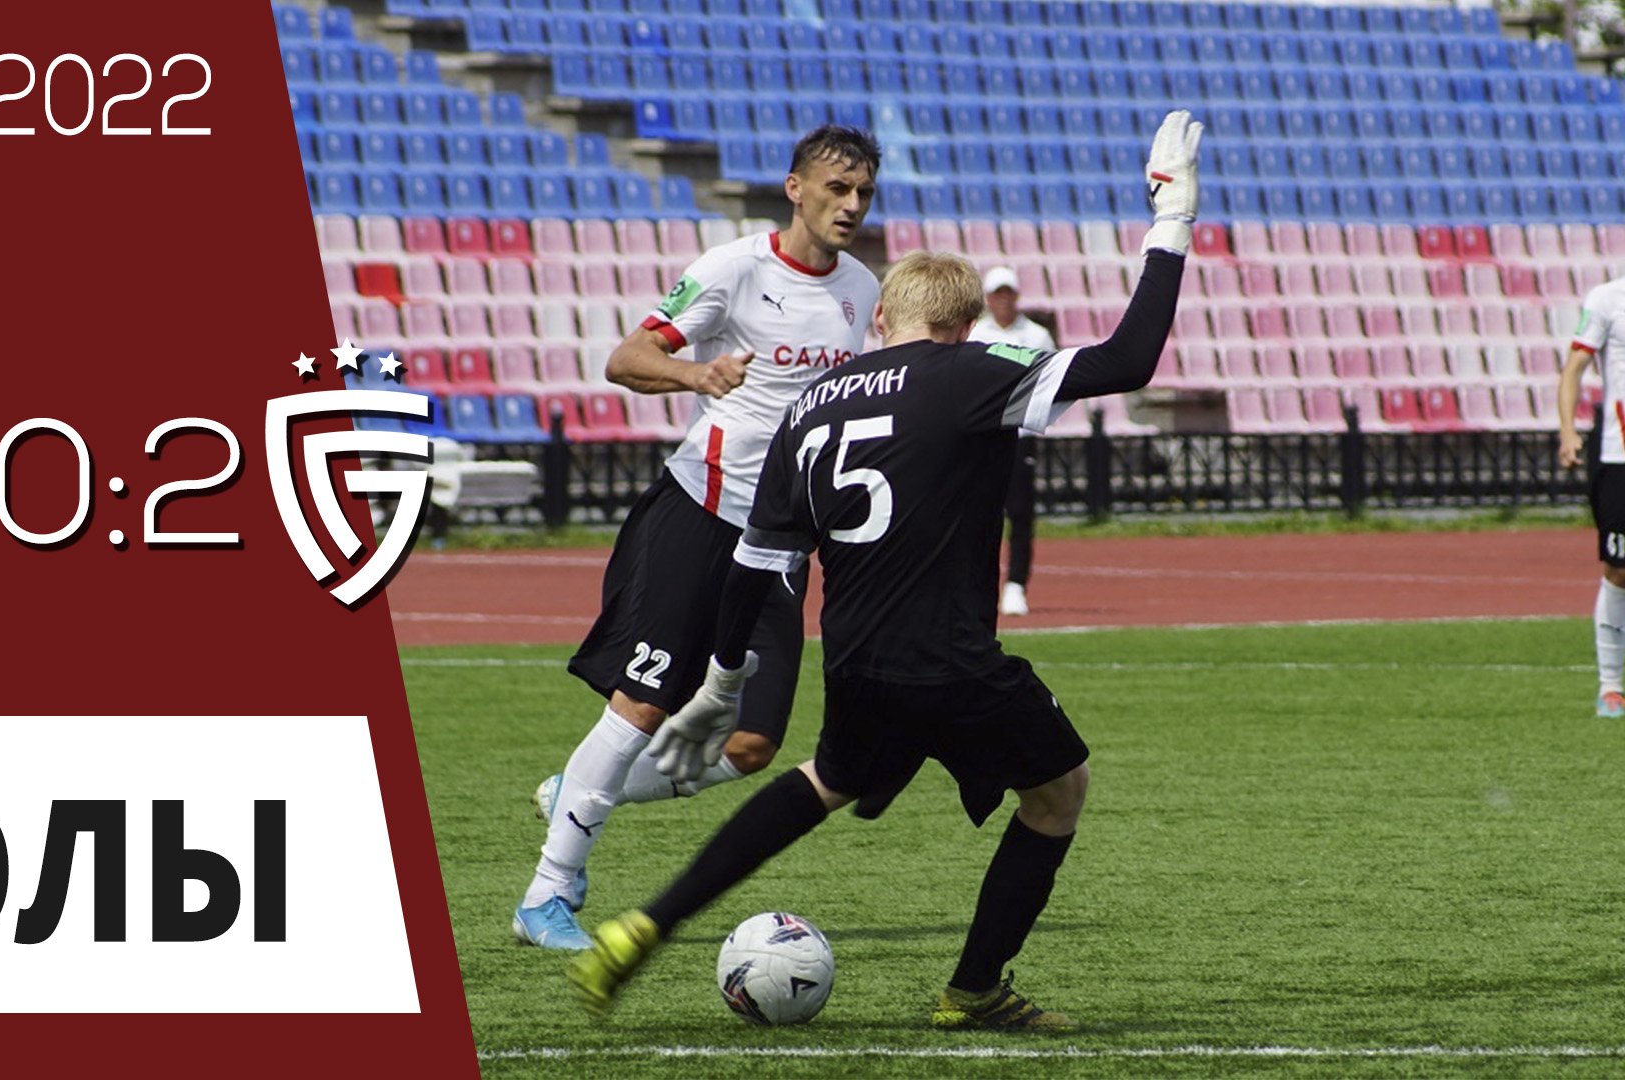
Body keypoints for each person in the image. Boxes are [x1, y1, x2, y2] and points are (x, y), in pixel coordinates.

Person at [568, 111, 1202, 1031]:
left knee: (825, 779)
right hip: (951, 658)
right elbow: (1131, 359)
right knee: (1060, 790)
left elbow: (758, 561)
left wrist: (726, 678)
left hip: (856, 659)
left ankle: (646, 923)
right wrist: (1171, 219)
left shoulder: (811, 404)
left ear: (878, 319)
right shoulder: (973, 370)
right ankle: (973, 989)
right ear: (961, 327)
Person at [513, 127, 884, 950]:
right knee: (643, 703)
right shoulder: (733, 269)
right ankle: (547, 895)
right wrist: (695, 373)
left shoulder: (862, 289)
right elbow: (627, 357)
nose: (852, 205)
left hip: (779, 544)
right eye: (837, 188)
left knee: (751, 745)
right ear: (795, 188)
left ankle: (578, 790)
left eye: (863, 192)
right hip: (701, 517)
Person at [968, 267, 1059, 617]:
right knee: (980, 512)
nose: (1003, 300)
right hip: (984, 434)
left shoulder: (1036, 335)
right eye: (997, 293)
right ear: (988, 299)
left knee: (1020, 513)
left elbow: (1049, 381)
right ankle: (979, 583)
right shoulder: (977, 333)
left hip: (1020, 434)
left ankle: (1016, 585)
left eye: (1008, 293)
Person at [1557, 272, 1625, 718]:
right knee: (1619, 568)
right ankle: (1611, 687)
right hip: (1619, 454)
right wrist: (1567, 431)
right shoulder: (1607, 299)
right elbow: (1574, 369)